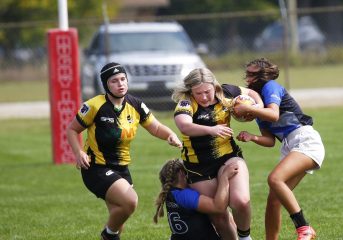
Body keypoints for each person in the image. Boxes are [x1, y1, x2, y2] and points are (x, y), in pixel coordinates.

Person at [66, 62, 182, 240]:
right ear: (106, 85)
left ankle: (112, 234)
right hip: (96, 167)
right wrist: (78, 152)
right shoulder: (94, 106)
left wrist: (170, 135)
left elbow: (156, 127)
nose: (120, 84)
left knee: (119, 214)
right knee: (130, 201)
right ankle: (107, 234)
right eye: (114, 81)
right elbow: (72, 129)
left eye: (123, 79)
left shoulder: (135, 104)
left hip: (121, 168)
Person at [235, 57, 325, 240]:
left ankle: (304, 227)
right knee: (273, 200)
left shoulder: (270, 87)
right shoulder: (259, 107)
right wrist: (253, 137)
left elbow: (274, 115)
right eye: (248, 74)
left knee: (275, 179)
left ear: (263, 76)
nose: (248, 79)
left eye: (253, 75)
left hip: (305, 140)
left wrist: (248, 109)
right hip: (289, 145)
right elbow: (270, 141)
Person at [171, 68, 262, 240]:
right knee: (219, 215)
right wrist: (211, 130)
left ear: (214, 86)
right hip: (199, 167)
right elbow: (184, 126)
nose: (204, 97)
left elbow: (251, 92)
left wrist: (258, 107)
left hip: (229, 156)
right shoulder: (186, 103)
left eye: (207, 91)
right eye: (199, 93)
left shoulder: (227, 92)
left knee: (240, 201)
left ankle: (245, 237)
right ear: (191, 91)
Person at [153, 159, 239, 240]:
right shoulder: (184, 195)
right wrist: (224, 177)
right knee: (224, 217)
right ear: (181, 172)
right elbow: (218, 208)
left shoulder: (170, 193)